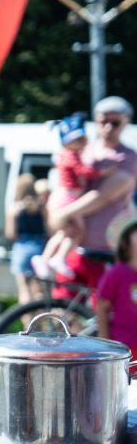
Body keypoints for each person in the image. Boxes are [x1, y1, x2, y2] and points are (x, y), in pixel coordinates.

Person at [49, 96, 137, 288]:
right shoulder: (81, 151)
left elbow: (103, 196)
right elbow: (62, 187)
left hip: (107, 251)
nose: (107, 128)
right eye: (103, 121)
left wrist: (62, 214)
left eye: (114, 122)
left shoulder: (128, 158)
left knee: (103, 312)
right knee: (62, 309)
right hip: (76, 249)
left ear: (125, 123)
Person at [37, 112, 123, 276]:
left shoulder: (68, 155)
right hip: (68, 198)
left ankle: (48, 259)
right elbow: (84, 171)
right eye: (76, 140)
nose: (80, 143)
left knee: (67, 232)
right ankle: (56, 258)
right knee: (77, 231)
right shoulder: (69, 156)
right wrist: (104, 172)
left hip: (67, 197)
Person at [5, 173, 48, 306]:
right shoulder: (41, 208)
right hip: (39, 247)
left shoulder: (14, 209)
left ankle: (27, 322)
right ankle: (41, 320)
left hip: (22, 248)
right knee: (39, 290)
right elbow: (48, 230)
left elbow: (11, 234)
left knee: (24, 289)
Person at [95, 219, 137, 353]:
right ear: (126, 242)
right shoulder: (117, 273)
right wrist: (105, 343)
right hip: (126, 348)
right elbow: (102, 307)